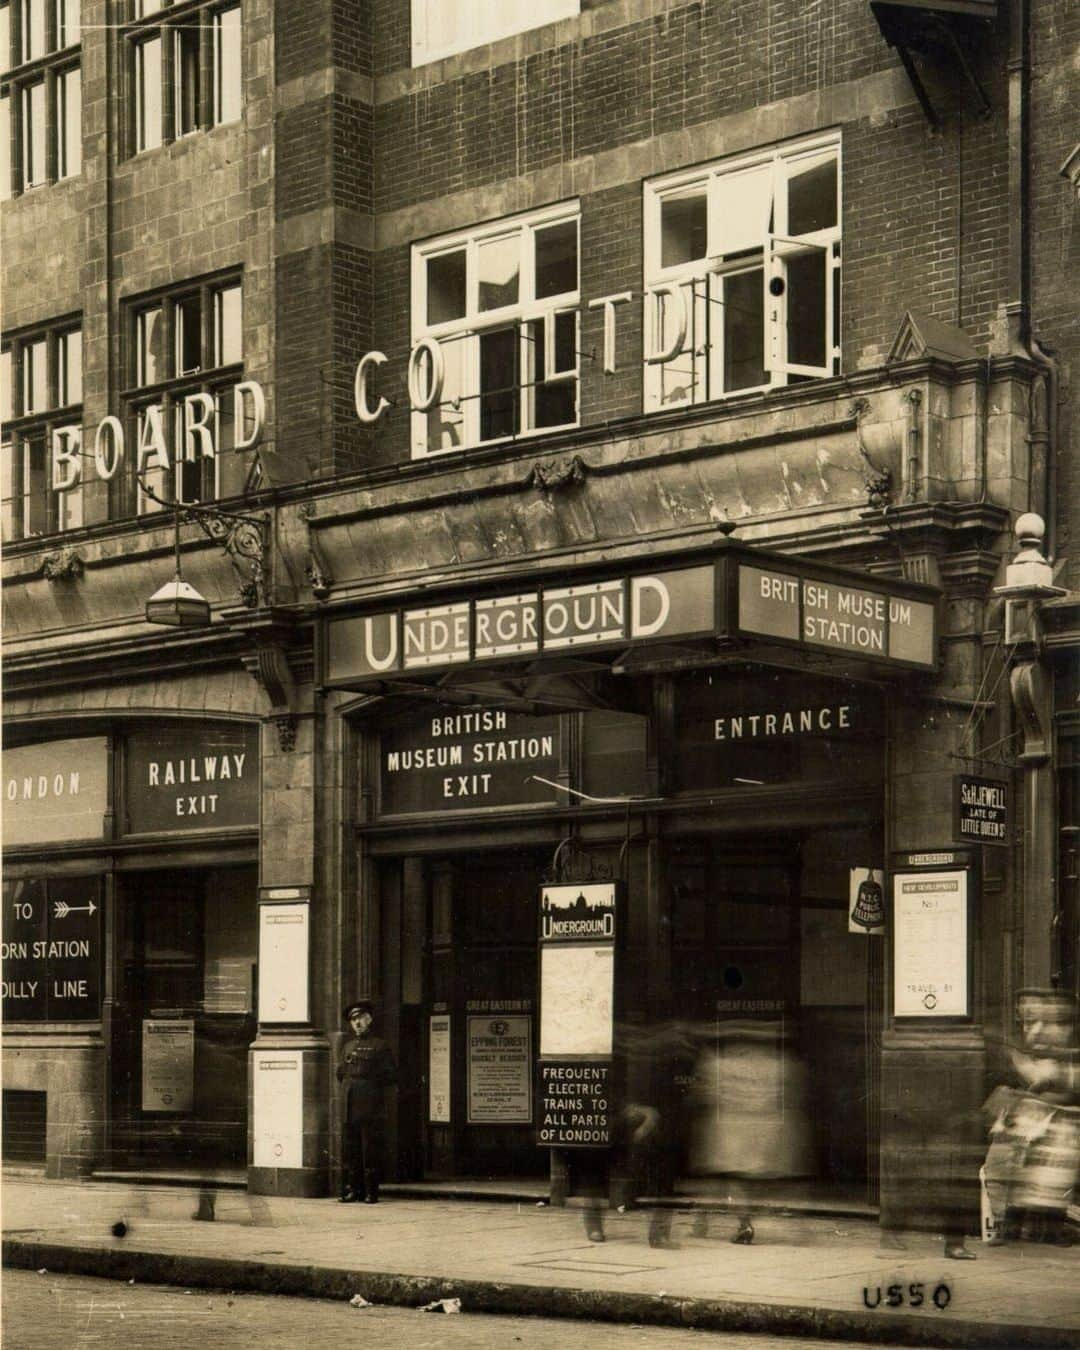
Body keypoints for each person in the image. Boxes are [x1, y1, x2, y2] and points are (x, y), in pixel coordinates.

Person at [337, 999, 397, 1204]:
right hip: (349, 1105)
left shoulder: (380, 1046)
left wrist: (369, 1086)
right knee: (350, 1150)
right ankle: (353, 1190)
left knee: (370, 1150)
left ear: (369, 1019)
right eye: (353, 1020)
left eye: (361, 1018)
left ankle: (371, 1191)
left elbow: (390, 1076)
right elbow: (340, 1073)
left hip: (371, 1105)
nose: (357, 1023)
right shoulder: (346, 1047)